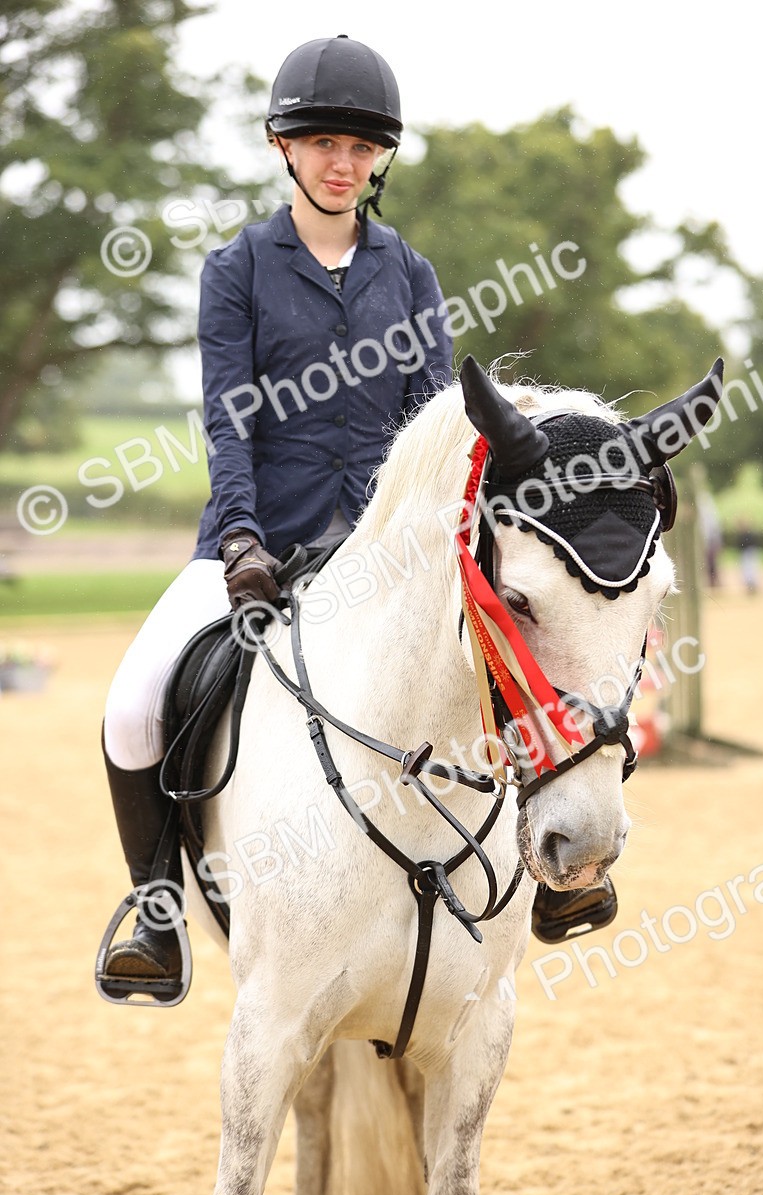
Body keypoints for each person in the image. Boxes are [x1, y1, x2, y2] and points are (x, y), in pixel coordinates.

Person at [98, 34, 453, 996]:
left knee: (510, 651)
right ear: (282, 147)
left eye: (361, 147)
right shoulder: (237, 270)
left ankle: (555, 873)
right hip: (255, 542)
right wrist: (245, 539)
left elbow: (438, 422)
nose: (343, 163)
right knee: (131, 706)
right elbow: (230, 416)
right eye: (324, 143)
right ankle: (157, 914)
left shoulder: (412, 276)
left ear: (381, 158)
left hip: (382, 553)